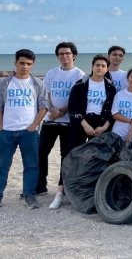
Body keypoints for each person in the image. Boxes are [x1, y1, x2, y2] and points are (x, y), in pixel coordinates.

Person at [0, 49, 48, 212]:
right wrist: (1, 129)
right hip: (7, 132)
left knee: (31, 165)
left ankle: (29, 195)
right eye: (22, 63)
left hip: (29, 132)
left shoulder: (38, 83)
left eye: (29, 64)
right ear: (15, 63)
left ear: (33, 65)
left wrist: (33, 126)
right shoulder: (4, 83)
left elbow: (44, 107)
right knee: (0, 165)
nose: (25, 67)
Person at [38, 42, 86, 210]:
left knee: (66, 156)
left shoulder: (80, 74)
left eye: (67, 53)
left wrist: (63, 110)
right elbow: (47, 93)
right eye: (61, 54)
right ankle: (40, 186)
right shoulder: (52, 73)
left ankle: (63, 188)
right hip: (51, 120)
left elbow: (77, 98)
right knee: (41, 151)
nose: (64, 56)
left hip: (68, 123)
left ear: (74, 55)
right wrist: (51, 109)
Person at [68, 55, 117, 149]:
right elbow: (73, 107)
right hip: (81, 122)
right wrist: (85, 125)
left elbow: (113, 110)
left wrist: (104, 127)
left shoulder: (111, 87)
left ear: (107, 69)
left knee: (97, 155)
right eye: (97, 65)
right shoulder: (80, 84)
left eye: (103, 66)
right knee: (75, 152)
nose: (100, 68)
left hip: (101, 123)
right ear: (92, 67)